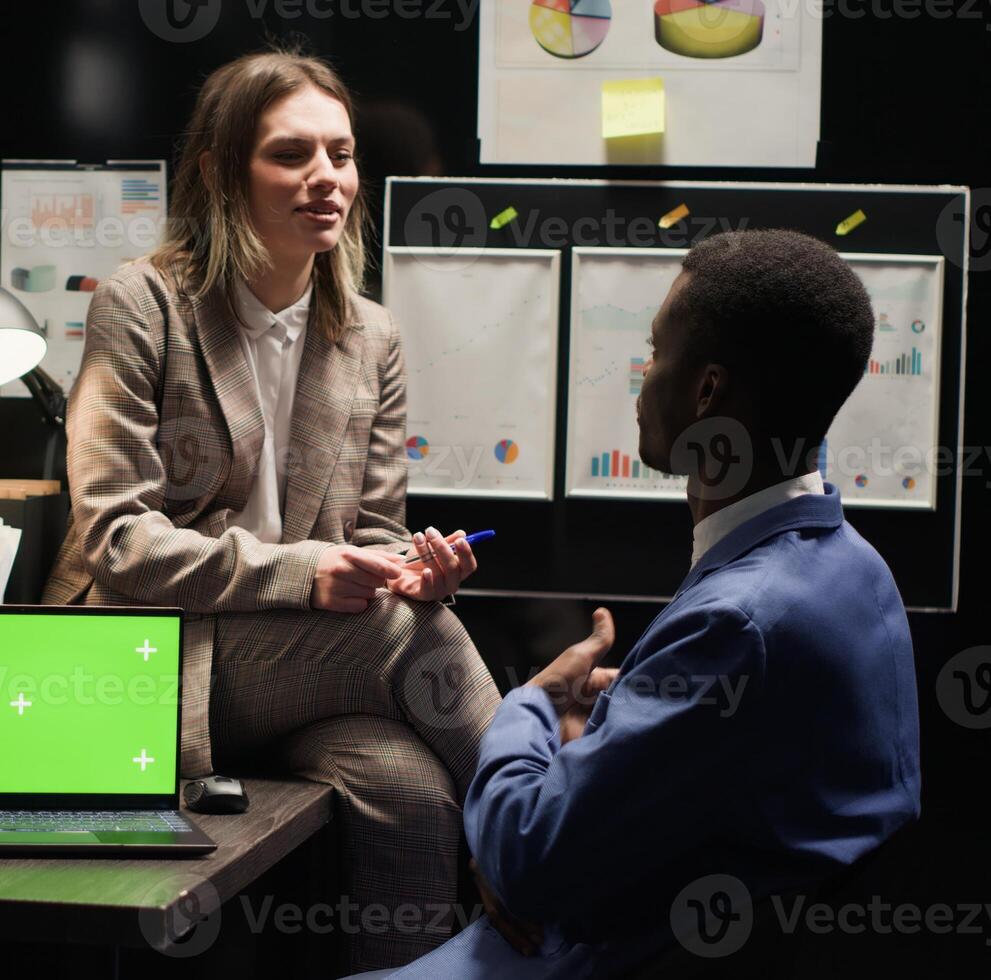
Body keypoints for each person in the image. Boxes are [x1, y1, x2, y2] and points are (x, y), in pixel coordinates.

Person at [41, 49, 501, 969]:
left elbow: (370, 536)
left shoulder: (370, 335)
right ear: (220, 170)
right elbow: (118, 542)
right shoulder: (144, 304)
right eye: (291, 155)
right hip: (150, 655)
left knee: (410, 792)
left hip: (300, 667)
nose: (325, 178)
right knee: (391, 637)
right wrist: (308, 572)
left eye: (341, 153)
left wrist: (417, 570)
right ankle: (551, 845)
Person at [363, 229, 923, 978]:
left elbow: (527, 864)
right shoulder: (854, 570)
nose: (641, 378)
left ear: (706, 394)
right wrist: (628, 711)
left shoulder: (736, 622)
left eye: (655, 352)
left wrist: (530, 705)